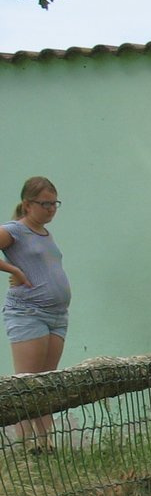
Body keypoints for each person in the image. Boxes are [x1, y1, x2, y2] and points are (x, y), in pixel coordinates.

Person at [1, 177, 70, 454]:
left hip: (56, 316)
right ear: (28, 205)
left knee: (47, 380)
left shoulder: (45, 233)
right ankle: (26, 445)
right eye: (45, 204)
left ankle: (46, 442)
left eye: (55, 203)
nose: (51, 209)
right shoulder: (15, 231)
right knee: (28, 381)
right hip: (28, 312)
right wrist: (14, 271)